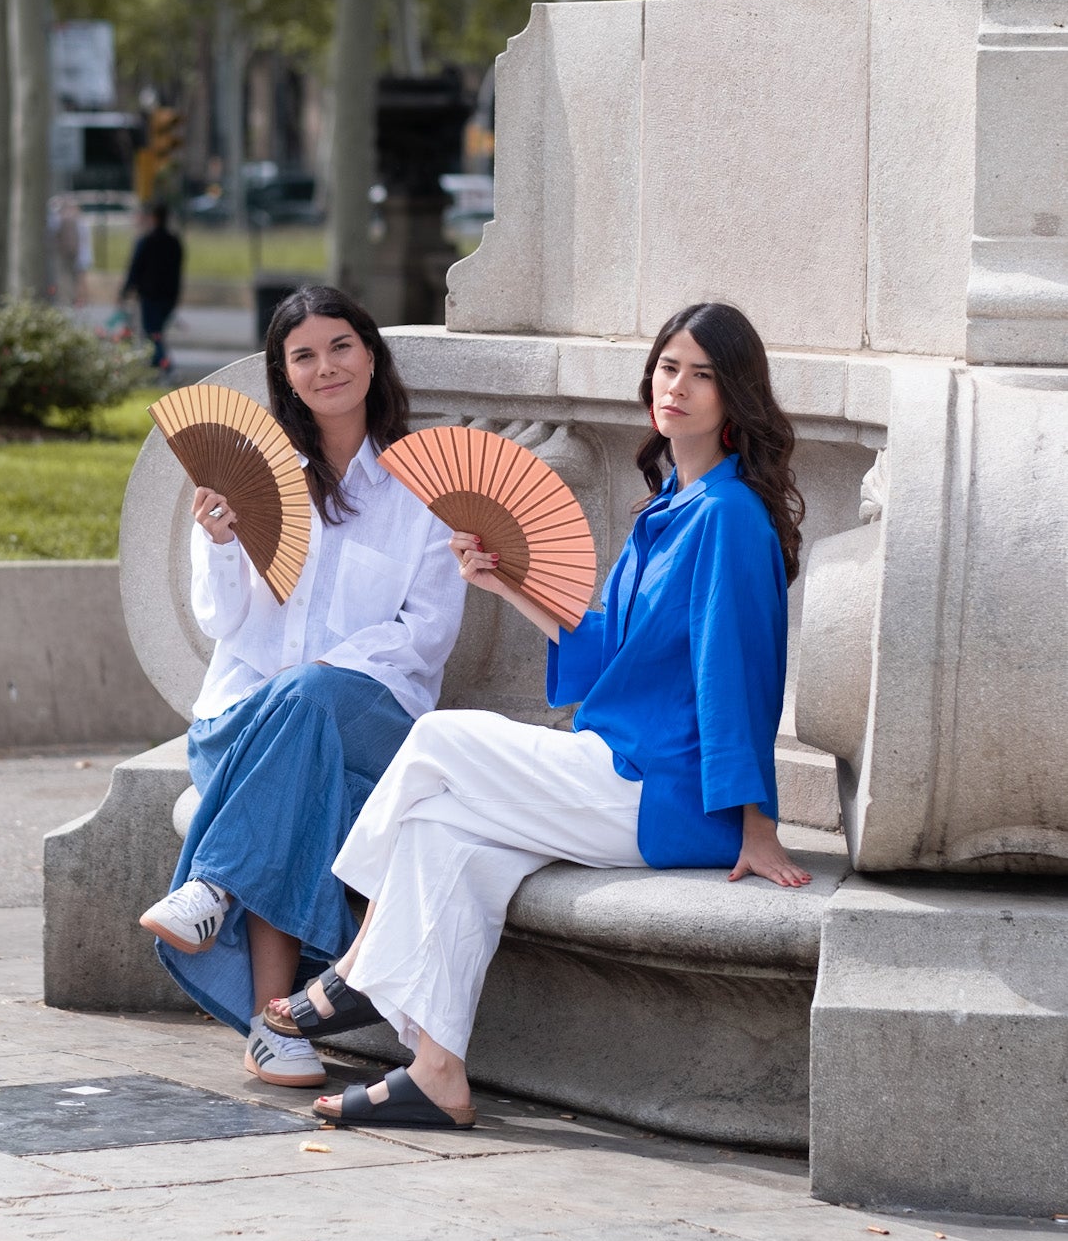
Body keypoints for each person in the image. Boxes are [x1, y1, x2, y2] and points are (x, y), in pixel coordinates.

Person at [264, 301, 811, 1133]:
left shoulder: (729, 520)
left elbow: (736, 679)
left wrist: (756, 822)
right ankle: (437, 1072)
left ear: (736, 397)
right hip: (617, 767)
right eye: (669, 368)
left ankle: (356, 966)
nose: (679, 389)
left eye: (703, 375)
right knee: (447, 833)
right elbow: (607, 653)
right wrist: (503, 584)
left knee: (438, 738)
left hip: (662, 791)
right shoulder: (668, 503)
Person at [139, 283, 467, 1088]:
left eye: (341, 346)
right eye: (303, 356)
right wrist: (217, 543)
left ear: (371, 354)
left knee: (311, 703)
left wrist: (321, 677)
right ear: (284, 376)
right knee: (297, 743)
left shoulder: (424, 486)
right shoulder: (257, 479)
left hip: (373, 711)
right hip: (246, 713)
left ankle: (213, 883)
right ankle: (273, 1027)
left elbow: (423, 636)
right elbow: (222, 620)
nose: (326, 368)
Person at [121, 202, 183, 372]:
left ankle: (164, 364)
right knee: (157, 331)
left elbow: (135, 267)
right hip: (169, 295)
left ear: (154, 218)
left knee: (153, 332)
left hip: (150, 294)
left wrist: (126, 290)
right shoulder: (174, 242)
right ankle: (156, 364)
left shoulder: (146, 241)